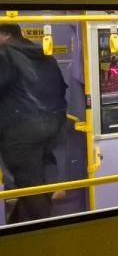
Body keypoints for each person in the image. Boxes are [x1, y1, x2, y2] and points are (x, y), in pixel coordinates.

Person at [0, 23, 68, 223]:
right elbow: (61, 88)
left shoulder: (5, 55)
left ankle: (43, 233)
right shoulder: (44, 55)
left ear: (5, 36)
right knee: (35, 182)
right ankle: (19, 227)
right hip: (53, 125)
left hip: (22, 129)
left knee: (29, 187)